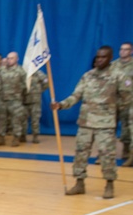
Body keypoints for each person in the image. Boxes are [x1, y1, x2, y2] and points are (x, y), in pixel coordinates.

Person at [51, 45, 133, 199]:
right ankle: (79, 183)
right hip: (86, 121)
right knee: (81, 153)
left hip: (105, 123)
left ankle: (109, 184)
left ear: (110, 59)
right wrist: (61, 105)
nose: (99, 59)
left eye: (103, 57)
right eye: (98, 56)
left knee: (107, 155)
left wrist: (111, 110)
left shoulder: (118, 76)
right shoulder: (87, 76)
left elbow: (126, 98)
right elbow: (76, 95)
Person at [0, 52, 27, 146]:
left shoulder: (21, 71)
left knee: (16, 120)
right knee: (1, 119)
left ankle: (16, 138)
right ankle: (1, 138)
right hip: (3, 99)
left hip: (15, 100)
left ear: (17, 59)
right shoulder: (2, 70)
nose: (9, 60)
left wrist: (19, 93)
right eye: (8, 58)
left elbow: (25, 85)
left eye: (12, 58)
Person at [116, 42, 133, 163]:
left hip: (130, 102)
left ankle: (127, 152)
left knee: (128, 129)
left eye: (126, 49)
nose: (123, 51)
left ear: (131, 51)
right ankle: (104, 155)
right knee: (109, 128)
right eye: (121, 49)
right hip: (115, 102)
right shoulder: (113, 65)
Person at [22, 68, 49, 143]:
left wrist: (39, 90)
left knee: (35, 119)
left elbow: (47, 82)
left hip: (35, 100)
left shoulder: (39, 73)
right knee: (23, 119)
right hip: (25, 99)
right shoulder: (23, 72)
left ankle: (35, 136)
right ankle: (22, 135)